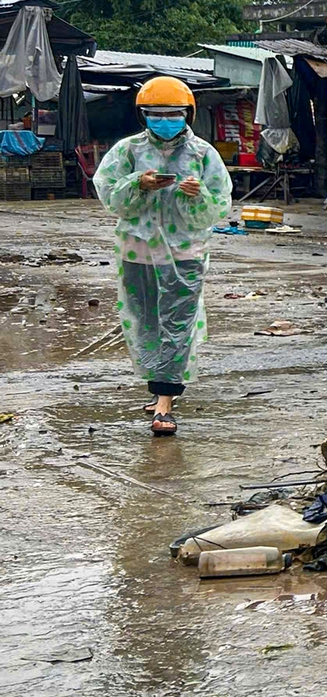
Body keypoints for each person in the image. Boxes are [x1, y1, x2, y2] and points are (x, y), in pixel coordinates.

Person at [92, 77, 233, 436]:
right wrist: (137, 184)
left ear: (188, 114)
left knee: (178, 326)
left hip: (185, 253)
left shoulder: (203, 154)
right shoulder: (127, 151)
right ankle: (157, 386)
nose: (165, 120)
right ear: (144, 115)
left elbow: (218, 206)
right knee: (143, 322)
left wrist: (195, 194)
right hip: (137, 251)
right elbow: (109, 195)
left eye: (174, 114)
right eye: (156, 114)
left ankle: (165, 404)